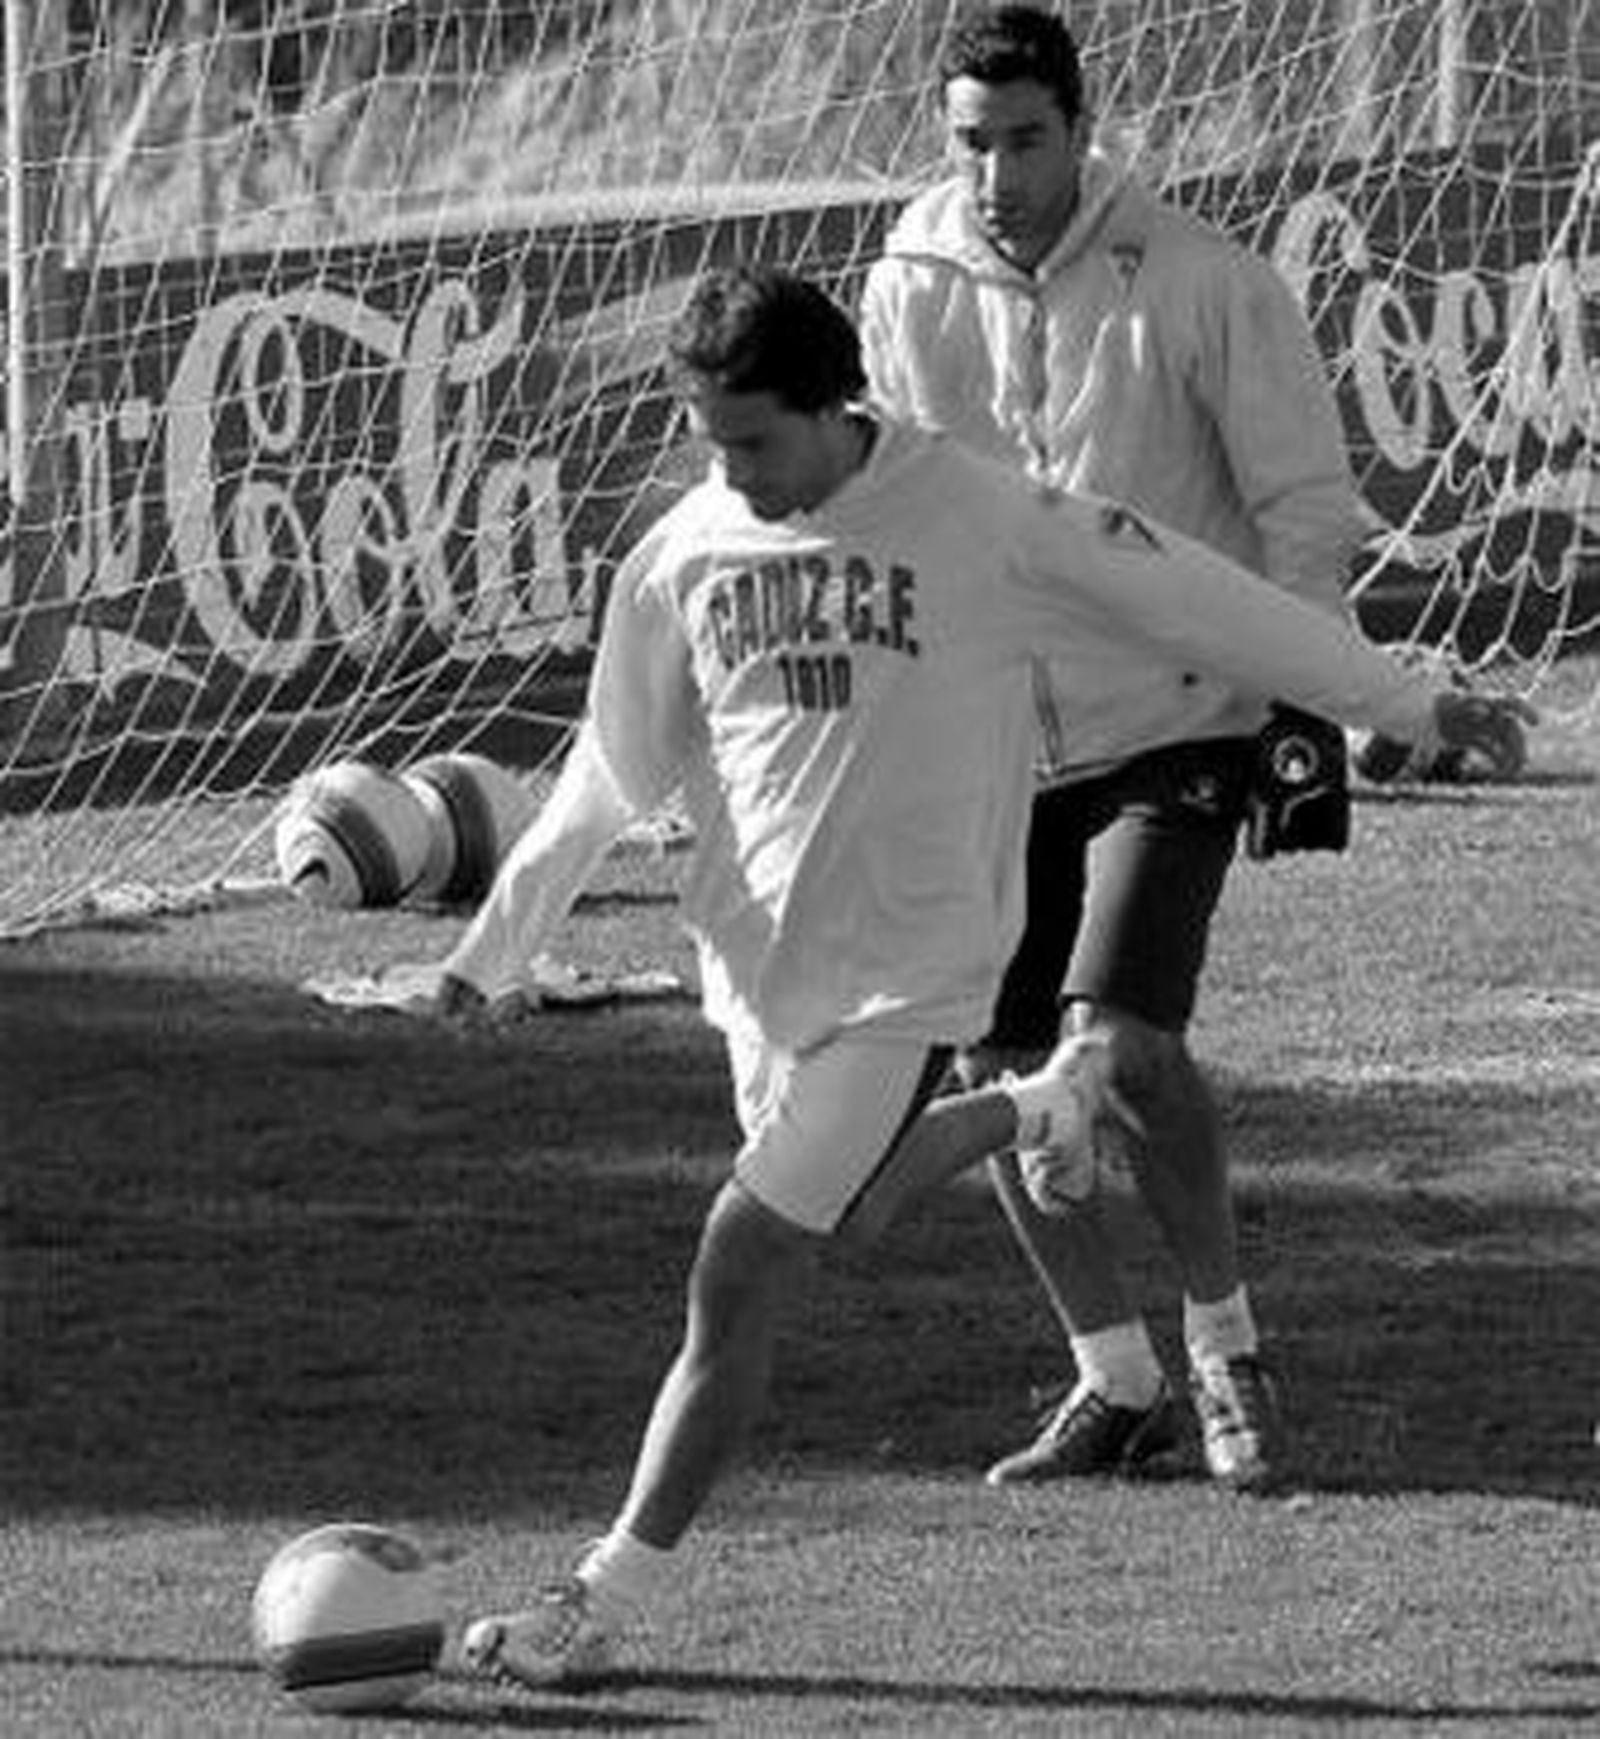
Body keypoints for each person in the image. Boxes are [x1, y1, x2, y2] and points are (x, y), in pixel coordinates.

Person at [448, 264, 1521, 1690]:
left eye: (752, 440)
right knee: (855, 1219)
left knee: (741, 1267)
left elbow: (1206, 603)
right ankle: (1043, 1104)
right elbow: (612, 772)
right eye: (708, 440)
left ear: (835, 406)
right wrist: (490, 951)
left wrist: (1407, 701)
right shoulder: (685, 550)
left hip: (913, 974)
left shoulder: (981, 516)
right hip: (757, 979)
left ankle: (594, 1599)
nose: (731, 470)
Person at [859, 3, 1372, 1490]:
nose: (999, 176)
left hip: (1181, 714)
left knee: (1129, 1048)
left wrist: (1305, 698)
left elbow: (1302, 506)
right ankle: (1115, 1378)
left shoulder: (1207, 281)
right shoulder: (906, 274)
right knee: (998, 1056)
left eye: (1026, 141)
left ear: (1085, 131)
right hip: (990, 731)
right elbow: (895, 498)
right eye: (972, 144)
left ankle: (1228, 1355)